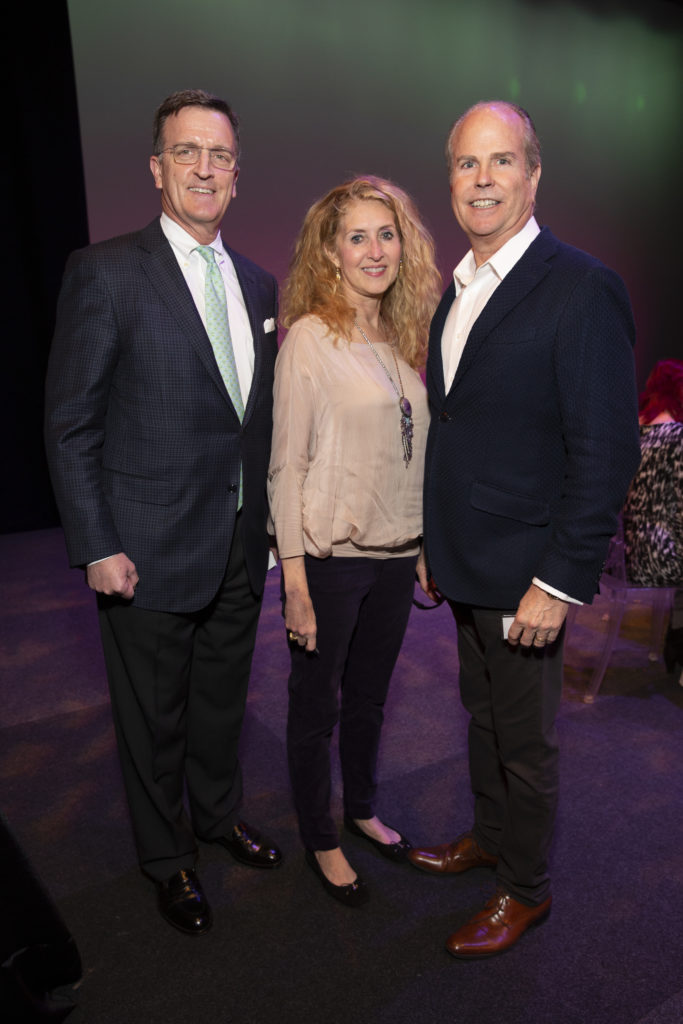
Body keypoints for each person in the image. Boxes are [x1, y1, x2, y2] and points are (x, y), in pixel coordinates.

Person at [44, 89, 282, 936]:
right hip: (142, 550)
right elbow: (70, 422)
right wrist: (97, 543)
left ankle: (217, 818)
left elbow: (248, 424)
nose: (205, 168)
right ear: (156, 168)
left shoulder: (258, 283)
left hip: (237, 547)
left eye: (219, 155)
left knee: (222, 702)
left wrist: (271, 537)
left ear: (236, 173)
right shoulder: (105, 272)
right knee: (154, 717)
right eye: (187, 152)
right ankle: (167, 857)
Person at [409, 101, 641, 957]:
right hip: (466, 558)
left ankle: (526, 889)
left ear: (533, 175)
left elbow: (606, 449)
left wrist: (556, 581)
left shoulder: (579, 286)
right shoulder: (456, 293)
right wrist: (433, 540)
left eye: (500, 162)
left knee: (528, 740)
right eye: (467, 165)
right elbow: (459, 430)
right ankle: (491, 840)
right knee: (481, 719)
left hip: (526, 573)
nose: (481, 180)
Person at [268, 176, 440, 905]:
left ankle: (362, 808)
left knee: (369, 698)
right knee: (317, 705)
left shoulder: (403, 340)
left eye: (386, 233)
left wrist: (425, 544)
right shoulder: (310, 338)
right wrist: (295, 582)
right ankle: (320, 835)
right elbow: (287, 464)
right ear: (331, 254)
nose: (375, 250)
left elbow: (413, 453)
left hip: (398, 556)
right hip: (332, 561)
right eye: (357, 237)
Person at [623, 359, 683, 680]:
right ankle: (678, 646)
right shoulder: (676, 436)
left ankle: (676, 640)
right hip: (658, 557)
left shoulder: (636, 428)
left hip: (625, 552)